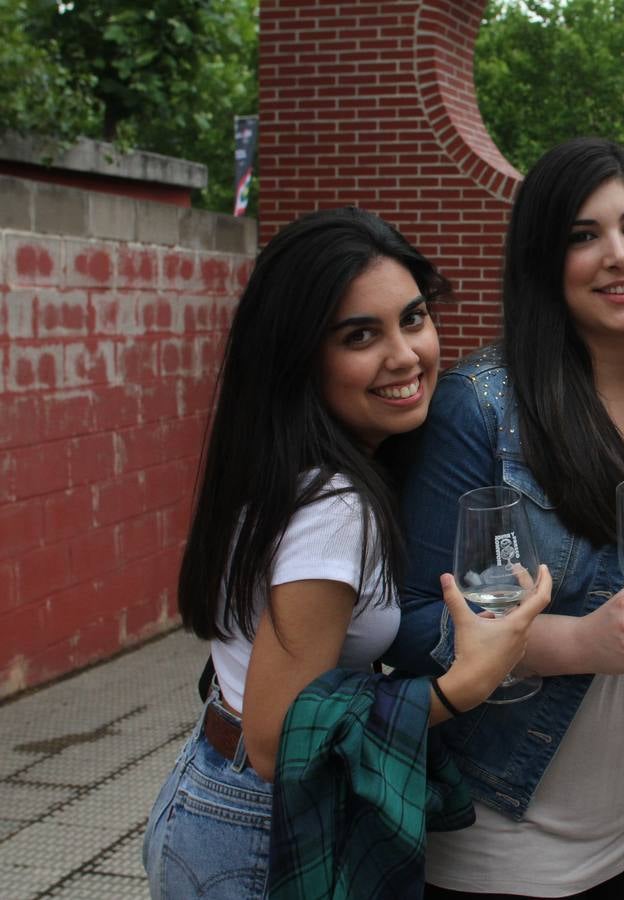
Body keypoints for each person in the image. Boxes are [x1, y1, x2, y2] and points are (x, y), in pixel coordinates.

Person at [142, 209, 549, 898]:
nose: (406, 355)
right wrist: (463, 686)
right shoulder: (335, 509)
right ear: (301, 354)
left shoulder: (289, 462)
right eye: (361, 335)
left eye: (414, 319)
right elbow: (276, 740)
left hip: (216, 791)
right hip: (254, 833)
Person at [385, 138, 624, 899]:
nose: (619, 255)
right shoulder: (478, 409)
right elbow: (408, 624)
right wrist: (576, 641)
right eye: (583, 236)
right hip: (513, 843)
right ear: (543, 259)